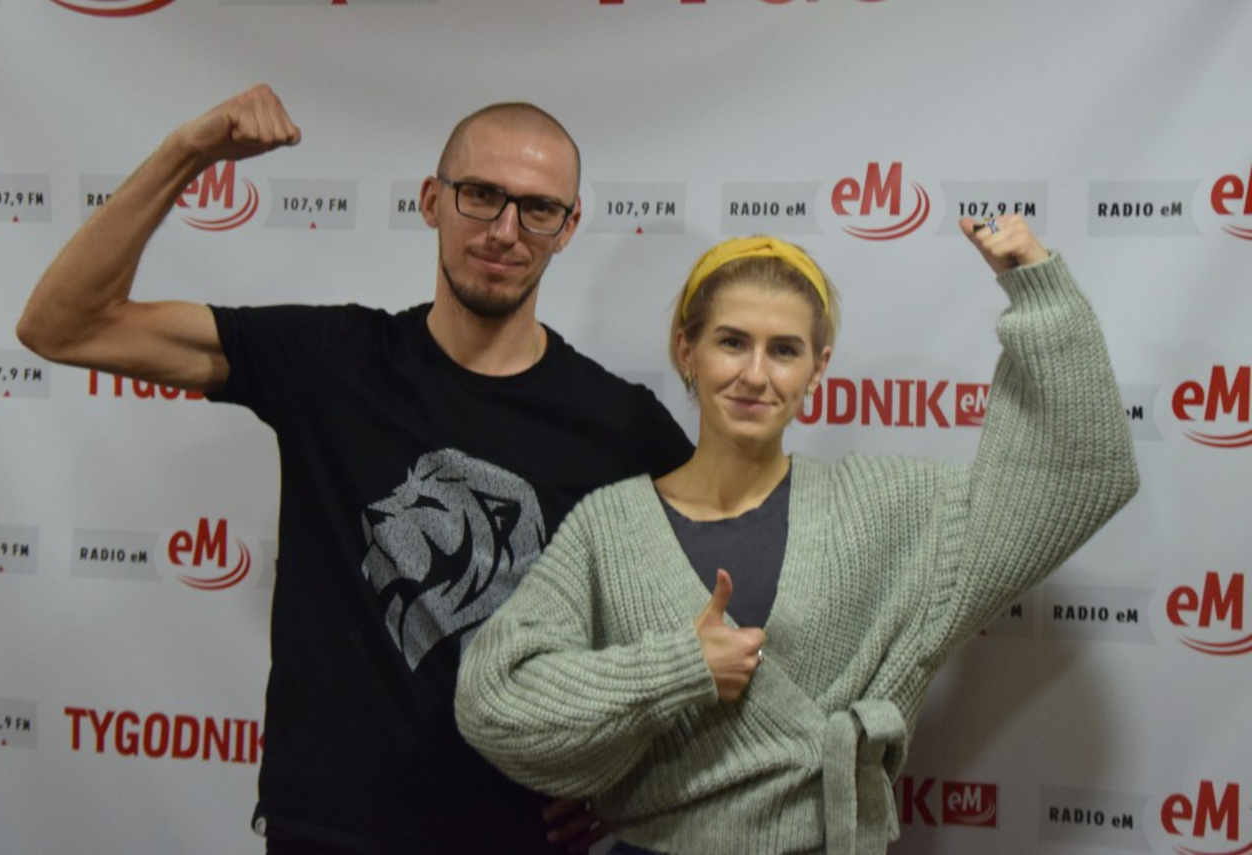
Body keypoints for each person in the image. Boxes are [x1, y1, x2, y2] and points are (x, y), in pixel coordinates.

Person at [16, 84, 692, 854]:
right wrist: (188, 152)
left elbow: (718, 618)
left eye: (538, 208)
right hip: (331, 828)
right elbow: (62, 325)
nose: (505, 231)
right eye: (480, 195)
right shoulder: (330, 363)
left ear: (567, 228)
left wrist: (634, 777)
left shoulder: (620, 424)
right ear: (432, 200)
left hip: (518, 834)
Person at [454, 219, 1141, 855]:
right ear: (687, 351)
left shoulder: (882, 507)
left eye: (784, 350)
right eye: (732, 342)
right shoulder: (609, 527)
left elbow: (1079, 477)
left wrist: (1039, 286)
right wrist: (677, 669)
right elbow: (493, 702)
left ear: (817, 367)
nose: (755, 374)